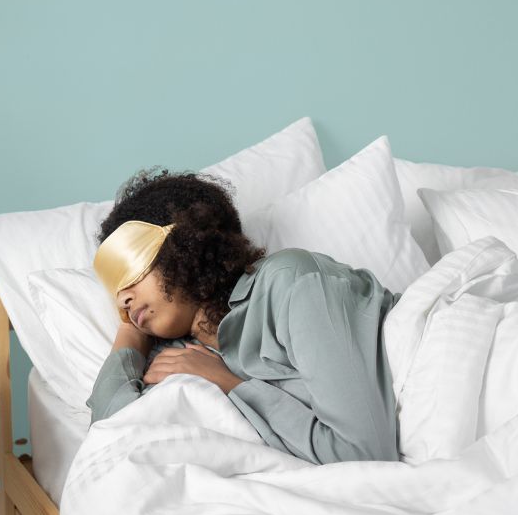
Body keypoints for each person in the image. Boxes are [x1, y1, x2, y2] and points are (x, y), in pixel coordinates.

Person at [87, 168, 402, 465]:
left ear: (184, 243)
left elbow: (365, 453)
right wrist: (130, 334)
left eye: (130, 271)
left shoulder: (291, 281)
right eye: (115, 291)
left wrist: (228, 383)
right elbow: (112, 437)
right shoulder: (177, 356)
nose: (123, 298)